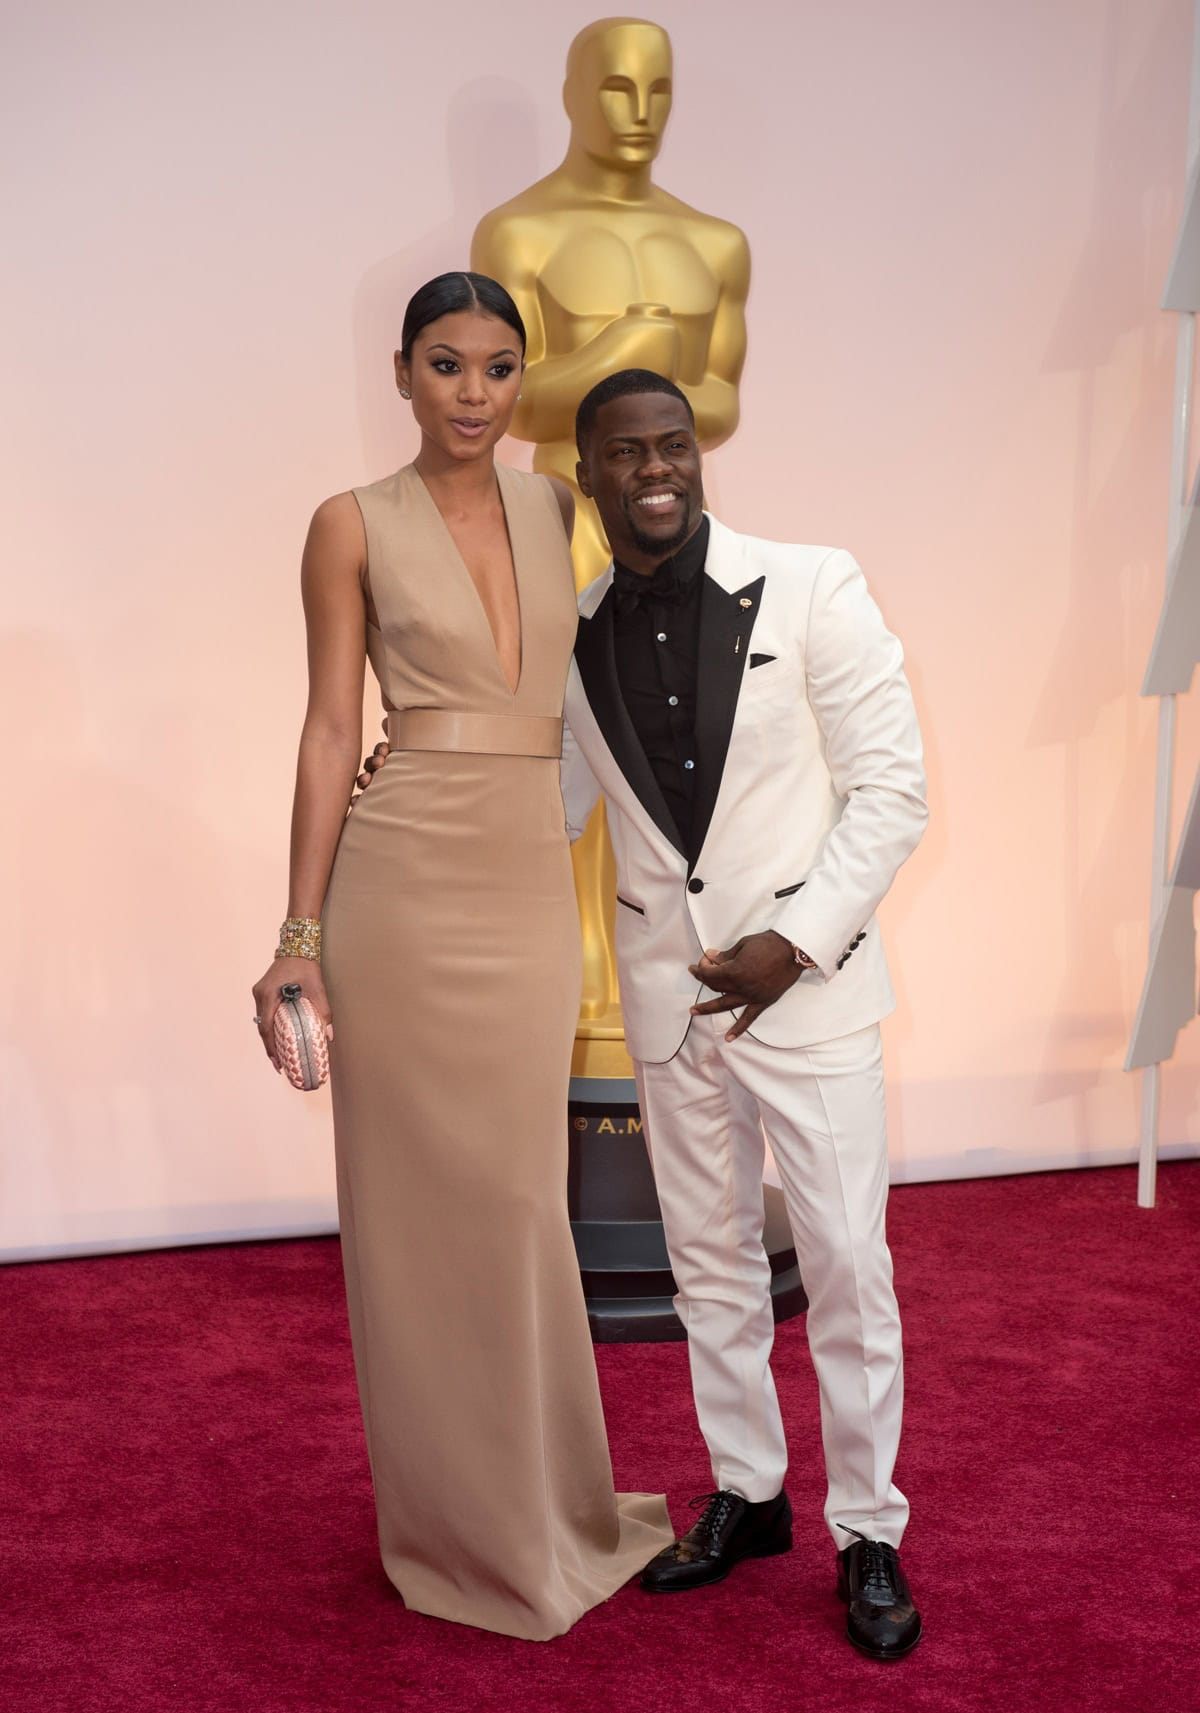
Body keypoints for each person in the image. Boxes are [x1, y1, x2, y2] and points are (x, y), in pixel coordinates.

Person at [357, 365, 927, 1657]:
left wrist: (797, 941)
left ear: (697, 453)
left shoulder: (815, 582)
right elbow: (539, 803)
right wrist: (421, 773)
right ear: (589, 473)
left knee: (847, 1267)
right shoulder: (572, 635)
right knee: (709, 1266)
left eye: (673, 445)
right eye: (626, 453)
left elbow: (893, 788)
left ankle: (868, 1530)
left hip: (808, 995)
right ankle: (749, 1492)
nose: (655, 469)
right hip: (672, 999)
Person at [250, 281, 671, 1642]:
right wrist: (298, 937)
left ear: (520, 381)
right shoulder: (350, 522)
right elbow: (331, 729)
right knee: (414, 1220)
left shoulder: (562, 508)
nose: (473, 391)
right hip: (403, 883)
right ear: (403, 374)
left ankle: (549, 1508)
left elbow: (609, 683)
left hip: (525, 886)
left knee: (520, 1203)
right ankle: (456, 1528)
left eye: (497, 367)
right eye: (446, 364)